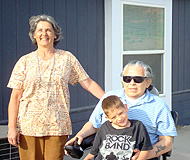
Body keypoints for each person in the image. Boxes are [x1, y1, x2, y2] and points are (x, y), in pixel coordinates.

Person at [7, 14, 105, 160]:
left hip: (57, 126)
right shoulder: (25, 61)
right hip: (28, 127)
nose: (44, 34)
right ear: (34, 35)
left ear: (55, 34)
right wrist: (11, 127)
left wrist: (109, 99)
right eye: (40, 30)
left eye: (48, 30)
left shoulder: (67, 58)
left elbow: (88, 83)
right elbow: (15, 97)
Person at [65, 60, 177, 160]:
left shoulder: (158, 105)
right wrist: (79, 136)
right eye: (127, 79)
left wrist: (144, 155)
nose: (132, 83)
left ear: (147, 82)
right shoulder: (109, 97)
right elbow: (94, 124)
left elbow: (167, 142)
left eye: (138, 79)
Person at [84, 95, 153, 160]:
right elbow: (94, 151)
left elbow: (145, 149)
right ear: (108, 118)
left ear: (126, 108)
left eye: (120, 113)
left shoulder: (137, 126)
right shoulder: (104, 127)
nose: (119, 118)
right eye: (113, 117)